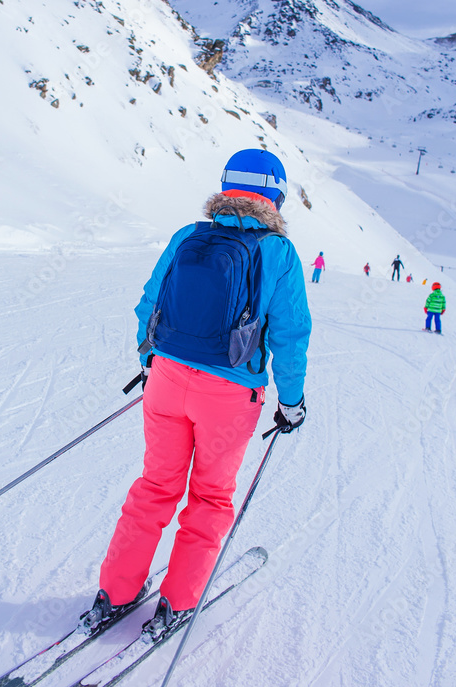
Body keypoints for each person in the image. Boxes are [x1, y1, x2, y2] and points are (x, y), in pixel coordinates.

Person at [82, 149, 312, 637]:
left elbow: (149, 302)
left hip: (166, 379)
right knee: (209, 497)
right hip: (229, 395)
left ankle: (115, 592)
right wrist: (290, 402)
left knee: (154, 487)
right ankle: (177, 602)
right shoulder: (278, 251)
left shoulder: (189, 235)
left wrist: (150, 361)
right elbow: (290, 335)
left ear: (226, 187)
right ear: (276, 195)